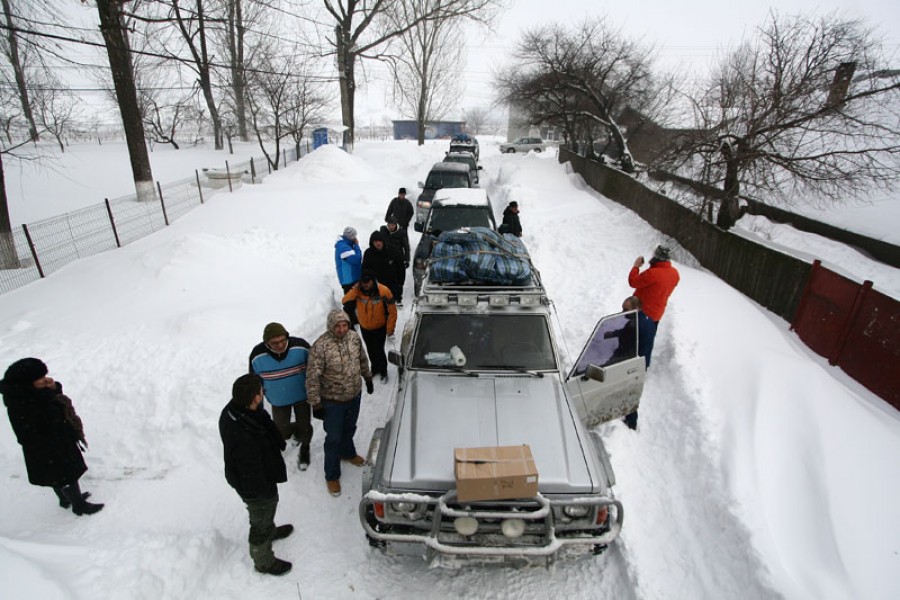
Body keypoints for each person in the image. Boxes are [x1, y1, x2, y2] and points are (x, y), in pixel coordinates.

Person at [1, 358, 104, 516]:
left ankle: (65, 498)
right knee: (67, 474)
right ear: (27, 382)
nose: (44, 380)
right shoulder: (22, 403)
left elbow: (54, 403)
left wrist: (53, 388)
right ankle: (78, 505)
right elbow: (43, 419)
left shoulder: (30, 394)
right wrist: (49, 395)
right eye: (40, 378)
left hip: (54, 442)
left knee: (58, 476)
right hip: (48, 446)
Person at [219, 373, 293, 576]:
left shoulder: (238, 409)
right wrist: (265, 494)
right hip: (255, 487)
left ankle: (270, 530)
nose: (264, 391)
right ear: (255, 398)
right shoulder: (243, 436)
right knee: (260, 520)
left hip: (257, 478)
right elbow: (251, 473)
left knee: (265, 516)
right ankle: (263, 561)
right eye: (261, 390)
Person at [306, 309, 374, 498]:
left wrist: (367, 377)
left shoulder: (354, 338)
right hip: (332, 401)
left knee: (350, 428)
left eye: (345, 325)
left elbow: (362, 358)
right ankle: (332, 474)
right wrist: (315, 403)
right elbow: (312, 377)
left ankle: (348, 452)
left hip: (354, 395)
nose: (342, 329)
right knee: (334, 437)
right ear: (331, 326)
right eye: (338, 326)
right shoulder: (320, 346)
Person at [626, 245, 680, 430]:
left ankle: (633, 371)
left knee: (633, 347)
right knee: (646, 346)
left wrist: (636, 266)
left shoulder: (653, 274)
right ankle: (642, 364)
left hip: (642, 316)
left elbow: (633, 281)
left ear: (657, 257)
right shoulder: (674, 274)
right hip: (655, 316)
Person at [249, 322, 313, 471]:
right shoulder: (257, 355)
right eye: (275, 343)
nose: (280, 345)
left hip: (302, 396)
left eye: (283, 340)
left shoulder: (301, 347)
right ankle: (294, 433)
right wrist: (258, 409)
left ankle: (305, 448)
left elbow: (315, 369)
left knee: (305, 426)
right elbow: (255, 383)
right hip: (278, 400)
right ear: (266, 343)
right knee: (281, 430)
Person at [341, 270, 397, 383]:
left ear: (373, 281)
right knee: (370, 350)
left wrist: (390, 328)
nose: (365, 285)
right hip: (365, 327)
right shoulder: (357, 291)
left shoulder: (383, 291)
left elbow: (392, 311)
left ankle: (383, 371)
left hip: (379, 327)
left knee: (379, 350)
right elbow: (344, 300)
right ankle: (375, 369)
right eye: (363, 282)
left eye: (368, 282)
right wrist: (354, 289)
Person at [620, 296, 654, 431]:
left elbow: (626, 340)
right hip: (641, 361)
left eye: (625, 309)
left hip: (635, 364)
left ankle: (631, 422)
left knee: (630, 391)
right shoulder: (646, 320)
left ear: (637, 308)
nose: (622, 311)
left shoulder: (636, 324)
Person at [362, 230, 405, 305]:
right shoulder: (368, 253)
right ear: (372, 242)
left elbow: (401, 268)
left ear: (383, 241)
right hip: (376, 287)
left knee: (390, 308)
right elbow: (365, 269)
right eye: (375, 242)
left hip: (392, 287)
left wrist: (400, 284)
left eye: (379, 241)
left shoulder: (393, 251)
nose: (378, 243)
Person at [335, 226, 362, 326]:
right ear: (350, 237)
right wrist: (357, 246)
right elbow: (356, 259)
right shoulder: (343, 247)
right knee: (349, 303)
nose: (356, 238)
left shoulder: (347, 244)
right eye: (354, 236)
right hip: (348, 280)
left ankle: (353, 320)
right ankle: (349, 322)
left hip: (352, 278)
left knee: (353, 301)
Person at [379, 216, 410, 302]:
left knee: (399, 279)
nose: (391, 227)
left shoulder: (402, 233)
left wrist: (406, 259)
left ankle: (398, 298)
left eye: (392, 225)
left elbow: (406, 246)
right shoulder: (383, 232)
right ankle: (387, 296)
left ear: (396, 225)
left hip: (398, 259)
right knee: (387, 278)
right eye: (389, 225)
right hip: (387, 259)